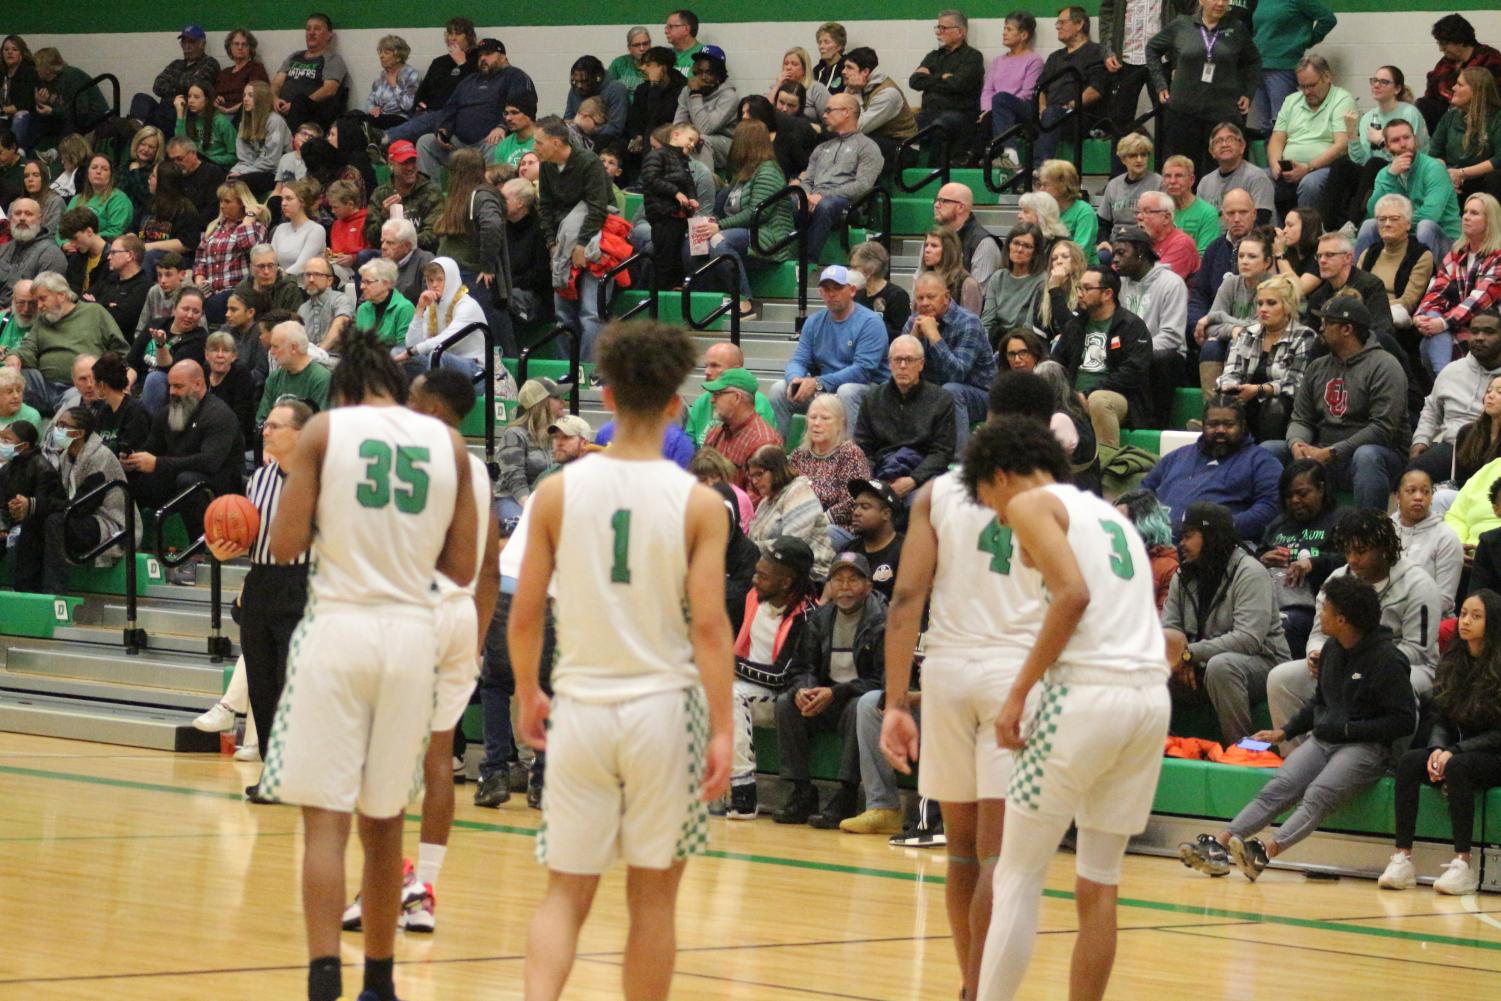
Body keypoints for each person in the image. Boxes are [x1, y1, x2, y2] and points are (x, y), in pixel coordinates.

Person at [509, 318, 730, 997]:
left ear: (605, 396)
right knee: (653, 901)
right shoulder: (699, 501)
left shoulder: (555, 491)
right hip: (664, 711)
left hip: (581, 707)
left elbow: (523, 613)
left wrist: (527, 691)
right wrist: (722, 726)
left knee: (563, 896)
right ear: (674, 403)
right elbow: (712, 627)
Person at [259, 325, 475, 1001]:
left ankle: (324, 976)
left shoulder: (325, 432)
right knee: (385, 822)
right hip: (412, 634)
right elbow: (463, 565)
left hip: (340, 627)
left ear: (344, 388)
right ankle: (380, 984)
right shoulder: (450, 443)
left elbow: (285, 542)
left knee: (325, 817)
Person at [945, 419, 1166, 1001]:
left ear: (1000, 477)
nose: (997, 517)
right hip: (1149, 700)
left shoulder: (1031, 504)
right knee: (1100, 885)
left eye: (989, 501)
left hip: (1086, 696)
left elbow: (1072, 594)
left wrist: (1018, 692)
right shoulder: (1112, 515)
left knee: (1017, 873)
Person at [874, 403, 1048, 998]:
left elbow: (905, 601)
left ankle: (967, 984)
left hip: (946, 670)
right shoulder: (1052, 491)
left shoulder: (937, 492)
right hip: (1015, 675)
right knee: (1000, 859)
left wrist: (896, 702)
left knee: (961, 858)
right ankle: (981, 989)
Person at [338, 371, 499, 932]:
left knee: (373, 759)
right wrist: (474, 641)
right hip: (460, 619)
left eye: (412, 397)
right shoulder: (477, 467)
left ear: (430, 405)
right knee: (436, 758)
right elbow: (489, 567)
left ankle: (381, 882)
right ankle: (424, 888)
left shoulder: (419, 459)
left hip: (415, 612)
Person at [1178, 574, 1416, 881]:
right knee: (1278, 787)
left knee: (1317, 794)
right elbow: (1320, 701)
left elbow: (1403, 720)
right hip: (1325, 739)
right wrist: (1286, 732)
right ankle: (1221, 846)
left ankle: (1265, 851)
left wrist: (1348, 731)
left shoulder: (1388, 660)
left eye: (1326, 609)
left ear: (1342, 619)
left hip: (1367, 748)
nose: (1321, 615)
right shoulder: (1332, 650)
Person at [205, 396, 310, 797]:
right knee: (262, 686)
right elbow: (245, 532)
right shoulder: (259, 478)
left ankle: (299, 772)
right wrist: (222, 549)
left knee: (291, 684)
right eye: (266, 424)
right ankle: (273, 775)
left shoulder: (323, 478)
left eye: (276, 426)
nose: (265, 430)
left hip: (305, 583)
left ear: (300, 434)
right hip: (262, 582)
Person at [1267, 508, 1441, 743]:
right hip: (1343, 661)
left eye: (1360, 551)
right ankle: (1299, 758)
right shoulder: (1338, 579)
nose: (1352, 559)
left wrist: (1363, 663)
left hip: (1406, 667)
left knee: (1399, 686)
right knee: (1281, 678)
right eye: (1347, 551)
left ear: (1384, 547)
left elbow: (1418, 650)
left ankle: (1391, 765)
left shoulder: (1419, 584)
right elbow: (1318, 633)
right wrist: (1316, 654)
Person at [1381, 587, 1501, 894]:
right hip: (1458, 751)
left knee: (1458, 767)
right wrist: (1437, 750)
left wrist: (1454, 752)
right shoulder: (1453, 660)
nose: (1465, 621)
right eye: (1463, 614)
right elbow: (1439, 715)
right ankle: (1402, 858)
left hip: (1493, 754)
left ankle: (1463, 863)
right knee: (1410, 761)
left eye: (1476, 616)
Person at [772, 551, 886, 827]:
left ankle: (846, 794)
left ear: (869, 586)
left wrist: (836, 693)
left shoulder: (883, 621)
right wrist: (805, 689)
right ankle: (801, 791)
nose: (845, 587)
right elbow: (801, 667)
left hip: (857, 699)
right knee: (787, 703)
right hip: (825, 696)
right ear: (829, 586)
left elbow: (883, 680)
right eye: (838, 580)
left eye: (853, 580)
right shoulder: (819, 618)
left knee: (859, 708)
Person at [1163, 500, 1290, 744]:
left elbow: (1248, 639)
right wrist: (1180, 657)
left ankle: (1243, 750)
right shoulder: (1183, 574)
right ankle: (1166, 746)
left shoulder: (1250, 572)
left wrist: (1190, 654)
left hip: (1264, 662)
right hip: (1200, 662)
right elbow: (1169, 629)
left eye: (1189, 536)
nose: (1182, 543)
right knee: (1149, 665)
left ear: (1211, 536)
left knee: (1222, 667)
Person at [121, 359, 243, 577]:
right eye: (170, 386)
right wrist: (133, 460)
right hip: (177, 477)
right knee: (133, 482)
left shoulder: (219, 415)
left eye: (178, 386)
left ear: (198, 384)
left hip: (219, 485)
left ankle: (198, 553)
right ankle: (128, 546)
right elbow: (152, 449)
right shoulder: (166, 414)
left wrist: (158, 464)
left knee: (189, 482)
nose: (171, 392)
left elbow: (210, 462)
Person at [12, 405, 128, 593]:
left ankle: (55, 592)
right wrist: (29, 505)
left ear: (79, 433)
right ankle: (25, 592)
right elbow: (57, 498)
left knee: (55, 521)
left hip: (109, 524)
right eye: (57, 424)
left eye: (64, 426)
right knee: (34, 519)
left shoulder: (101, 458)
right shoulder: (66, 456)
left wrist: (35, 504)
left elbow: (81, 507)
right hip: (78, 518)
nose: (58, 429)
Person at [1146, 0, 1261, 179]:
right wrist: (1160, 84)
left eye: (1225, 0)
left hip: (1222, 113)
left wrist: (1248, 92)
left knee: (1219, 173)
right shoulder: (1181, 24)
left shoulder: (1237, 28)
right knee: (1183, 169)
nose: (1221, 3)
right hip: (1183, 112)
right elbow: (1152, 49)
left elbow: (1254, 61)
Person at [769, 265, 887, 438]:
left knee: (847, 391)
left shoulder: (870, 322)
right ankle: (775, 456)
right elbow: (799, 360)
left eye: (838, 288)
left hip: (868, 391)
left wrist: (817, 383)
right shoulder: (813, 322)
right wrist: (795, 379)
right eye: (826, 289)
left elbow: (863, 370)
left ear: (852, 290)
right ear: (820, 293)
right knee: (779, 389)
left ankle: (853, 458)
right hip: (827, 389)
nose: (832, 294)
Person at [1143, 395, 1283, 541]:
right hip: (1156, 545)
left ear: (1243, 425)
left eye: (1229, 424)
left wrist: (1216, 527)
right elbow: (1144, 490)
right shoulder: (1178, 456)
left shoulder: (1262, 461)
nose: (1220, 430)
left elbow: (1269, 509)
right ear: (1203, 425)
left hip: (1215, 550)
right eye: (1213, 424)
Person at [535, 117, 614, 361]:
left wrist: (581, 244)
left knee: (591, 312)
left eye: (538, 143)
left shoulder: (588, 162)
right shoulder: (547, 166)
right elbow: (545, 207)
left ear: (556, 143)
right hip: (561, 241)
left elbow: (598, 207)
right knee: (562, 315)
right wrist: (551, 243)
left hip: (595, 239)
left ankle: (588, 371)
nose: (534, 148)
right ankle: (566, 371)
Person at [1053, 265, 1153, 447]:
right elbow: (1057, 361)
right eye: (1079, 288)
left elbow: (1132, 372)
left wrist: (1087, 394)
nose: (1080, 293)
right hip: (1074, 396)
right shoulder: (1076, 324)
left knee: (1098, 400)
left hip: (1118, 398)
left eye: (1087, 288)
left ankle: (1106, 464)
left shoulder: (1131, 325)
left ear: (1107, 294)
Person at [1213, 272, 1317, 444]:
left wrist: (1258, 390)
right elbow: (1231, 371)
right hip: (1247, 401)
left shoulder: (1304, 337)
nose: (1263, 309)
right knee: (1223, 400)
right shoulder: (1248, 333)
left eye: (1271, 303)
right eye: (1260, 303)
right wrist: (1228, 387)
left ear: (1287, 307)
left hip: (1285, 409)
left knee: (1275, 405)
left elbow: (1295, 384)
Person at [7, 270, 129, 416]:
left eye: (43, 299)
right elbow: (28, 348)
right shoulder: (42, 320)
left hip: (80, 387)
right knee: (8, 379)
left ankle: (56, 427)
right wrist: (15, 356)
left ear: (61, 295)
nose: (39, 306)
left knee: (74, 400)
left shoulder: (94, 312)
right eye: (36, 301)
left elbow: (121, 350)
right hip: (45, 385)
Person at [853, 335, 957, 502]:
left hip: (922, 475)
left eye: (909, 360)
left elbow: (942, 452)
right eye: (898, 360)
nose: (902, 366)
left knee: (917, 503)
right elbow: (863, 448)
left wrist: (913, 480)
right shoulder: (872, 399)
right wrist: (875, 481)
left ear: (921, 364)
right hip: (880, 473)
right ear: (889, 363)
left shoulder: (941, 399)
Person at [1329, 65, 1430, 230]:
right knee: (1342, 165)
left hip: (1404, 173)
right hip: (1372, 173)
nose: (1376, 85)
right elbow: (1359, 160)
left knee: (1375, 162)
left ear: (1397, 89)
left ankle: (1352, 225)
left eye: (1384, 82)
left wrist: (1383, 142)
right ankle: (1327, 226)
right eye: (1374, 81)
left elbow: (1410, 155)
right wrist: (1352, 134)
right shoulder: (1368, 117)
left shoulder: (1409, 113)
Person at [903, 272, 995, 445]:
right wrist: (913, 340)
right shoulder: (913, 322)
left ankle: (960, 462)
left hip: (977, 395)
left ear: (946, 297)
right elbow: (901, 373)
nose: (924, 303)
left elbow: (957, 374)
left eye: (930, 297)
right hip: (935, 391)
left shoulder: (969, 322)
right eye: (920, 298)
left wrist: (934, 337)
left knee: (951, 390)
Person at [1411, 309, 1501, 483]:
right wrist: (1421, 440)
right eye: (1474, 332)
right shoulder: (1452, 371)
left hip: (1492, 449)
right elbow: (1431, 410)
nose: (1479, 337)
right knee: (1411, 478)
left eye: (1488, 332)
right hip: (1450, 446)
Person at [1415, 193, 1501, 376]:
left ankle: (1444, 384)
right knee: (1430, 329)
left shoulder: (1498, 256)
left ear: (1490, 221)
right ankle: (1447, 387)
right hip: (1457, 326)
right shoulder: (1457, 253)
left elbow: (1478, 301)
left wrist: (1442, 323)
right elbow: (1436, 290)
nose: (1466, 217)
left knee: (1430, 340)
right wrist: (1422, 316)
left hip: (1489, 329)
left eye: (1474, 213)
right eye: (1465, 212)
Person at [1354, 119, 1462, 264]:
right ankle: (1357, 281)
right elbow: (1373, 211)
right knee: (1369, 225)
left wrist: (1394, 221)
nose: (1403, 144)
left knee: (1425, 226)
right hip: (1403, 237)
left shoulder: (1433, 168)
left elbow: (1431, 215)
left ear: (1415, 139)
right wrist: (1390, 176)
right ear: (1386, 146)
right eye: (1396, 140)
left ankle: (1427, 283)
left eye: (1407, 137)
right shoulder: (1385, 174)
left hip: (1445, 241)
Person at [1113, 222, 1189, 424]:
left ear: (1140, 252)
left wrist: (1136, 352)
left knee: (1158, 359)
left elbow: (1171, 337)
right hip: (1130, 353)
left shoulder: (1171, 283)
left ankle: (1156, 422)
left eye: (1121, 253)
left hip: (1166, 357)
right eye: (1114, 253)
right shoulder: (1119, 284)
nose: (1115, 259)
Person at [1267, 53, 1357, 219]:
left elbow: (1341, 145)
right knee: (1260, 179)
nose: (1307, 92)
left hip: (1324, 168)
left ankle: (1306, 236)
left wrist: (1308, 167)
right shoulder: (1291, 101)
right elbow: (1277, 138)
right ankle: (1275, 235)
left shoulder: (1342, 99)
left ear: (1327, 77)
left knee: (1310, 184)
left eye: (1312, 85)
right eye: (1302, 86)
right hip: (1288, 168)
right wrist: (1275, 164)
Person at [1193, 215, 1271, 383]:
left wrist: (1222, 319)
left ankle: (1236, 405)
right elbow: (1209, 328)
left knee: (1236, 344)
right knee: (1211, 347)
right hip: (1234, 341)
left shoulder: (1272, 288)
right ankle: (1213, 407)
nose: (1244, 261)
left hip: (1263, 350)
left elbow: (1259, 330)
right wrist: (1233, 330)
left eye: (1252, 257)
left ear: (1267, 263)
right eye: (1241, 256)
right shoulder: (1230, 283)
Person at [1033, 6, 1109, 165]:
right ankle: (1009, 154)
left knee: (1053, 113)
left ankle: (1038, 170)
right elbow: (1041, 87)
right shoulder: (1055, 57)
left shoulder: (1096, 52)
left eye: (1062, 22)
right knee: (1003, 100)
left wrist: (1071, 105)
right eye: (1057, 23)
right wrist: (1042, 108)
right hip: (1049, 112)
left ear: (1079, 24)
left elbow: (1096, 89)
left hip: (1078, 116)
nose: (1058, 27)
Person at [788, 392, 871, 539]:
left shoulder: (850, 454)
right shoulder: (799, 455)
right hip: (797, 522)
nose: (817, 423)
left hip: (836, 528)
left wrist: (821, 520)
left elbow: (855, 500)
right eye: (813, 417)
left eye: (825, 418)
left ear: (840, 423)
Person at [746, 444, 836, 579]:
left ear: (777, 470)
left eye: (759, 474)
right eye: (751, 476)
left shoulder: (799, 492)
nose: (755, 481)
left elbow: (791, 546)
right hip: (772, 571)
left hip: (810, 575)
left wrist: (748, 548)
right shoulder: (765, 502)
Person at [908, 9, 985, 164]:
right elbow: (915, 81)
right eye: (938, 27)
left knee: (941, 124)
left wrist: (930, 78)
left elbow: (958, 84)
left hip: (960, 114)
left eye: (944, 28)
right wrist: (942, 77)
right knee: (904, 125)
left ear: (960, 32)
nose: (938, 32)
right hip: (929, 111)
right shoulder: (933, 56)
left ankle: (934, 172)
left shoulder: (973, 57)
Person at [1249, 0, 1337, 132]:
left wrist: (1306, 40)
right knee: (1265, 126)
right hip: (1258, 66)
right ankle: (1271, 153)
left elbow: (1328, 18)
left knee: (1281, 124)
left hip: (1282, 67)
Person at [396, 257, 488, 381]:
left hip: (476, 369)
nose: (434, 285)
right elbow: (412, 344)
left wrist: (411, 352)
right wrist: (420, 308)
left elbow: (445, 340)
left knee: (438, 356)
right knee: (397, 352)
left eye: (440, 280)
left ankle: (432, 399)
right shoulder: (432, 306)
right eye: (430, 280)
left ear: (451, 280)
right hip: (440, 362)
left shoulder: (467, 306)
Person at [1359, 193, 1437, 331]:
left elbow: (1408, 302)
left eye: (1394, 219)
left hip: (1397, 319)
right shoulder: (1369, 253)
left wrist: (1370, 309)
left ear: (1408, 224)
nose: (1387, 224)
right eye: (1382, 219)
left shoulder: (1421, 255)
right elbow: (1355, 289)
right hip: (1365, 313)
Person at [1392, 467, 1464, 615]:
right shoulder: (1383, 530)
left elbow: (1444, 599)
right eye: (1411, 490)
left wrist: (1397, 610)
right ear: (1397, 497)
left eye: (1426, 492)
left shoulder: (1446, 538)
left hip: (1429, 620)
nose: (1419, 497)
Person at [1418, 13, 1501, 135]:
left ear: (1459, 41)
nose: (1441, 49)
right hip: (1450, 115)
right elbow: (1431, 93)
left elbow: (1492, 98)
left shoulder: (1491, 59)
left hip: (1480, 115)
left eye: (1444, 44)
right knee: (1423, 105)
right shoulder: (1445, 63)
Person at [979, 12, 1044, 168]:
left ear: (1023, 35)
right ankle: (982, 160)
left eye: (1009, 29)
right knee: (986, 117)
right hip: (999, 109)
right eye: (1004, 29)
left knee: (1000, 99)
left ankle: (1010, 152)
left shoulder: (1034, 60)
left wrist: (1001, 104)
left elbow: (1028, 92)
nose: (1004, 33)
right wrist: (987, 110)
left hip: (1024, 108)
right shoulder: (997, 61)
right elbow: (987, 89)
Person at [496, 376, 565, 522]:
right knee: (522, 523)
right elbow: (514, 478)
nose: (563, 402)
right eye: (556, 397)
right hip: (513, 498)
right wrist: (530, 508)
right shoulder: (514, 434)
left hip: (546, 497)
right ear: (541, 402)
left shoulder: (560, 434)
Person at [1305, 231, 1397, 340]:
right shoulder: (1317, 298)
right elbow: (1312, 339)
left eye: (1329, 255)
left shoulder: (1371, 286)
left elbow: (1383, 333)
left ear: (1347, 258)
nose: (1322, 261)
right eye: (1319, 256)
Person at [270, 13, 347, 132]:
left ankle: (292, 145)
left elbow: (329, 89)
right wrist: (274, 98)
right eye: (308, 29)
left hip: (312, 113)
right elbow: (276, 83)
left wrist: (294, 105)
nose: (311, 33)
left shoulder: (333, 59)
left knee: (300, 100)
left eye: (317, 29)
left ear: (329, 35)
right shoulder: (294, 56)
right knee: (255, 95)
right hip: (282, 107)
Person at [194, 182, 269, 302]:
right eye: (221, 201)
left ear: (241, 204)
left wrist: (249, 218)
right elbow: (200, 260)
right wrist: (199, 279)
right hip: (211, 293)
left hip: (239, 293)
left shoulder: (256, 227)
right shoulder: (213, 228)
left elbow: (250, 247)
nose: (222, 206)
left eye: (227, 202)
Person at [841, 47, 918, 156]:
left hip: (903, 148)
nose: (843, 71)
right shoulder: (855, 86)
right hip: (878, 140)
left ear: (865, 71)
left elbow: (857, 128)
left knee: (856, 142)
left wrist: (855, 92)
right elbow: (840, 115)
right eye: (844, 67)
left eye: (849, 67)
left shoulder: (888, 93)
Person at [1115, 487, 1179, 611]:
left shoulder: (1169, 568)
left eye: (1121, 523)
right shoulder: (1109, 561)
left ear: (1143, 526)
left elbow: (1165, 621)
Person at [981, 224, 1047, 343]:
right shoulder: (997, 277)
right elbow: (987, 322)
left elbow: (1029, 328)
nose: (1020, 250)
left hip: (1024, 342)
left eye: (1027, 246)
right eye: (1016, 243)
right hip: (995, 340)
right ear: (1008, 246)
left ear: (1035, 252)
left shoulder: (1042, 280)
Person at [1198, 122, 1275, 223]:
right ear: (1212, 151)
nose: (1224, 144)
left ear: (1242, 146)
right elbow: (1201, 222)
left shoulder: (1257, 178)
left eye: (1230, 139)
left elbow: (1260, 223)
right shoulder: (1205, 183)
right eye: (1218, 141)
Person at [674, 47, 738, 169]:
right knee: (670, 135)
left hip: (725, 143)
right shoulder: (686, 91)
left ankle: (704, 182)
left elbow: (705, 129)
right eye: (699, 71)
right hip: (695, 136)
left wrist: (695, 94)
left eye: (708, 72)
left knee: (700, 140)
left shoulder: (729, 96)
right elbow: (678, 124)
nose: (703, 77)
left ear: (719, 75)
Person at [256, 320, 330, 423]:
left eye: (275, 347)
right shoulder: (274, 378)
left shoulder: (320, 378)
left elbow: (320, 424)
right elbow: (261, 420)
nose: (271, 352)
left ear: (294, 348)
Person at [0, 197, 67, 308]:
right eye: (17, 213)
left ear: (40, 219)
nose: (22, 218)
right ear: (11, 219)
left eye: (28, 214)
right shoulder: (3, 249)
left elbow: (47, 302)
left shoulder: (51, 254)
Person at [932, 181, 1002, 285]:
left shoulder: (983, 243)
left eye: (943, 201)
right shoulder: (933, 238)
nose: (936, 205)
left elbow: (978, 295)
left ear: (960, 207)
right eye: (936, 200)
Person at [1098, 134, 1161, 241]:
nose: (1139, 160)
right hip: (1117, 242)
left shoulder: (1159, 183)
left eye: (1143, 155)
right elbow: (1104, 223)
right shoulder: (1113, 185)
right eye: (1133, 156)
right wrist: (1103, 242)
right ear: (1123, 160)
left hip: (1147, 243)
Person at [88, 352, 150, 457]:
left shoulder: (135, 412)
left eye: (93, 381)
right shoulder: (104, 410)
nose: (91, 385)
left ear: (102, 385)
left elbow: (128, 452)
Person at [1160, 155, 1222, 255]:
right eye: (1167, 176)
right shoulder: (1159, 211)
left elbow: (1205, 257)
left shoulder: (1207, 213)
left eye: (1179, 176)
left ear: (1191, 180)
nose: (1172, 181)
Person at [850, 241, 910, 341]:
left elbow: (902, 334)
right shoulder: (856, 296)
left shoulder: (897, 295)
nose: (851, 272)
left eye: (855, 268)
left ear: (870, 269)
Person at [917, 226, 983, 315]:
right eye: (926, 245)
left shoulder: (967, 284)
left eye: (934, 246)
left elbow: (971, 324)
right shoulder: (923, 280)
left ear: (948, 250)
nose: (927, 250)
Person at [213, 28, 268, 119]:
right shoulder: (225, 72)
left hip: (243, 115)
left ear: (250, 48)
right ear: (230, 47)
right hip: (220, 113)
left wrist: (229, 110)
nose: (240, 47)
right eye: (236, 44)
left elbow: (257, 99)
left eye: (244, 44)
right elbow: (215, 94)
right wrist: (218, 100)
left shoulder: (255, 68)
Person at [607, 27, 652, 95]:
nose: (642, 48)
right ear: (629, 48)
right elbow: (607, 88)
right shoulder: (619, 63)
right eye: (636, 45)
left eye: (645, 44)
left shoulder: (657, 65)